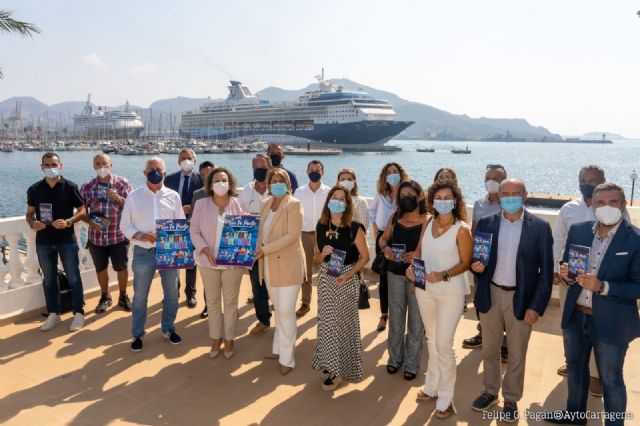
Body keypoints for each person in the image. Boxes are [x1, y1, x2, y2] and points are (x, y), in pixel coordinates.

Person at [547, 183, 640, 426]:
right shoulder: (578, 231)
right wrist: (566, 272)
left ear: (624, 205)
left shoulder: (635, 240)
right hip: (576, 315)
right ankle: (575, 415)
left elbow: (637, 286)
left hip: (612, 322)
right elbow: (568, 264)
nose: (606, 207)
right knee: (576, 370)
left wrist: (603, 286)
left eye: (613, 202)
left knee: (610, 379)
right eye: (600, 202)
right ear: (592, 205)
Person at [470, 178, 553, 423]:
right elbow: (479, 261)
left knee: (517, 353)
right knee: (489, 350)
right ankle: (490, 391)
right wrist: (477, 267)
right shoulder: (486, 223)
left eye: (514, 193)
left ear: (525, 194)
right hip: (491, 294)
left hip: (522, 297)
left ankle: (511, 398)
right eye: (505, 193)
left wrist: (536, 306)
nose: (509, 197)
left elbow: (546, 274)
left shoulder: (539, 227)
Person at [406, 180, 472, 419]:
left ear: (455, 201)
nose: (443, 201)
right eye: (439, 197)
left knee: (444, 344)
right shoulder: (429, 222)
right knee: (431, 339)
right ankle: (432, 386)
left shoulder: (462, 229)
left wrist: (443, 275)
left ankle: (446, 397)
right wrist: (412, 269)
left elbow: (465, 262)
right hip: (425, 291)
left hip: (451, 293)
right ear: (432, 200)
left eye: (447, 197)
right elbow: (420, 253)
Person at [120, 157, 185, 352]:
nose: (154, 172)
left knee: (172, 294)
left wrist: (172, 241)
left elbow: (180, 224)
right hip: (143, 252)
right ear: (144, 173)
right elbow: (125, 226)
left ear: (164, 173)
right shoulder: (133, 196)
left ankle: (168, 328)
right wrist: (140, 235)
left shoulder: (173, 196)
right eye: (150, 169)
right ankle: (137, 334)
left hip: (169, 251)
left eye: (158, 169)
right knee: (140, 296)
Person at [551, 165, 606, 396]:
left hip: (599, 281)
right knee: (570, 323)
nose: (586, 183)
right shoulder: (568, 209)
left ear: (602, 182)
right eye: (582, 179)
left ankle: (595, 374)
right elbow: (558, 239)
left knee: (598, 328)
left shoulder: (611, 209)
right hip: (571, 279)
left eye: (592, 180)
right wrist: (556, 268)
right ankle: (573, 362)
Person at [311, 185, 370, 390]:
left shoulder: (355, 227)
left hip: (346, 280)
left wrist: (349, 274)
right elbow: (317, 258)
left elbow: (365, 257)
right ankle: (329, 363)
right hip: (327, 279)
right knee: (327, 324)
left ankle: (340, 371)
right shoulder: (320, 226)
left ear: (347, 204)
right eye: (334, 197)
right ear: (328, 201)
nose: (337, 201)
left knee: (343, 325)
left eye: (342, 199)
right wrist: (323, 254)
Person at [26, 152, 87, 332]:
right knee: (49, 280)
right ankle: (54, 314)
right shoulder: (34, 189)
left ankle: (78, 313)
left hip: (67, 240)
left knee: (74, 277)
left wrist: (69, 221)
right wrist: (32, 222)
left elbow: (82, 211)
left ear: (60, 166)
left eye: (53, 164)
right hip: (43, 242)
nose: (50, 167)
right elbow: (29, 213)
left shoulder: (70, 187)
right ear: (41, 167)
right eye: (46, 165)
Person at [190, 167, 246, 360]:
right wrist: (205, 250)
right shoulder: (201, 204)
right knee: (212, 302)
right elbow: (194, 231)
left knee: (230, 302)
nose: (221, 183)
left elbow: (243, 230)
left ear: (230, 183)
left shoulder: (237, 203)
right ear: (210, 184)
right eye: (216, 180)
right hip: (208, 262)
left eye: (224, 180)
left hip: (232, 264)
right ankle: (216, 338)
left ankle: (230, 339)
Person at [255, 168, 305, 375]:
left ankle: (287, 359)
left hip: (288, 265)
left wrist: (264, 250)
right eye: (273, 180)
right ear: (267, 184)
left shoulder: (294, 204)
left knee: (286, 311)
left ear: (287, 183)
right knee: (278, 309)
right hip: (268, 265)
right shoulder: (265, 203)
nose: (276, 183)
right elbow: (260, 234)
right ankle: (278, 348)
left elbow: (293, 235)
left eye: (280, 180)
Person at [378, 180, 428, 381]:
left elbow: (427, 247)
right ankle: (395, 358)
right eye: (403, 196)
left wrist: (416, 255)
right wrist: (386, 249)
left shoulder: (428, 219)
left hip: (418, 273)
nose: (406, 198)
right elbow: (382, 239)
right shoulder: (394, 217)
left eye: (410, 195)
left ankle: (412, 363)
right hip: (395, 273)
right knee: (396, 318)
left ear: (419, 196)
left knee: (416, 321)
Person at [463, 164, 509, 358]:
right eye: (488, 178)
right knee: (481, 299)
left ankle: (505, 343)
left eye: (496, 179)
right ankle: (483, 333)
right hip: (481, 261)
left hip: (505, 261)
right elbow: (473, 230)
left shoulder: (509, 204)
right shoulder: (479, 204)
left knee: (504, 304)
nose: (491, 182)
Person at [80, 153, 133, 313]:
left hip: (118, 235)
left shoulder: (123, 183)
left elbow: (133, 209)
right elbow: (81, 210)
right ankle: (105, 296)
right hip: (96, 238)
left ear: (110, 165)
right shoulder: (87, 186)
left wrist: (118, 198)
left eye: (104, 163)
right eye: (97, 164)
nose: (101, 167)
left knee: (122, 267)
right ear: (93, 166)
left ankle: (123, 296)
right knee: (100, 268)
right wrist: (89, 222)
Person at [368, 162, 410, 332]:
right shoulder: (381, 195)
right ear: (384, 177)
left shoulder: (407, 194)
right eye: (389, 172)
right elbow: (372, 211)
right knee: (384, 278)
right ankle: (384, 314)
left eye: (395, 172)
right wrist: (375, 227)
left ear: (401, 174)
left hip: (401, 238)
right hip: (383, 239)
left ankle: (401, 317)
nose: (392, 175)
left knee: (401, 275)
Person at [164, 148, 204, 309]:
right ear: (178, 161)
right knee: (174, 261)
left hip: (195, 225)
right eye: (183, 158)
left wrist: (191, 210)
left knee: (191, 262)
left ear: (194, 160)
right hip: (174, 224)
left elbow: (206, 201)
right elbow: (164, 201)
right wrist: (179, 209)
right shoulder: (169, 179)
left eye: (189, 158)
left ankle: (191, 294)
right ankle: (174, 292)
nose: (186, 160)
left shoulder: (202, 179)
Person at [238, 154, 273, 336]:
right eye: (256, 166)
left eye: (263, 166)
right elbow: (237, 216)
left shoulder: (277, 189)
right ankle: (263, 319)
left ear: (269, 167)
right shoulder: (245, 191)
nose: (260, 170)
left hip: (275, 245)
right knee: (257, 285)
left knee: (276, 284)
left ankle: (282, 319)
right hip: (253, 246)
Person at [293, 160, 330, 318]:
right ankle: (305, 303)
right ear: (307, 172)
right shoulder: (299, 192)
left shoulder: (329, 192)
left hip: (325, 236)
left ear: (322, 172)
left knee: (328, 272)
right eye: (311, 169)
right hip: (304, 235)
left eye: (317, 169)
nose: (314, 172)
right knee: (305, 272)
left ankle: (327, 306)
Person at [189, 160, 215, 319]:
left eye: (209, 174)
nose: (207, 178)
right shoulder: (197, 194)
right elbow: (193, 219)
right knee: (208, 279)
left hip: (224, 244)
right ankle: (208, 306)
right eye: (203, 175)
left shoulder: (229, 192)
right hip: (205, 245)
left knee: (226, 280)